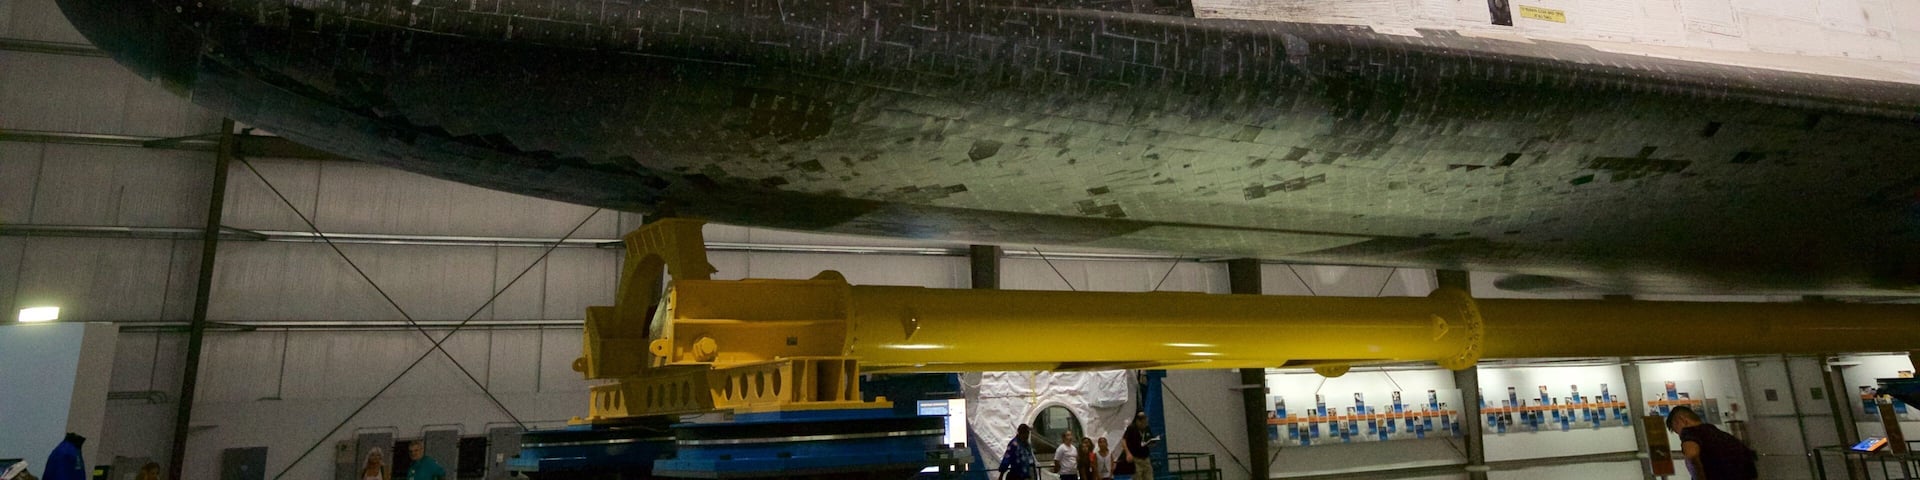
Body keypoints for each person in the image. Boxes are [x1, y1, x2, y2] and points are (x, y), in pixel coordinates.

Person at [1666, 406, 1757, 480]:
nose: (1679, 434)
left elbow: (1692, 454)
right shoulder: (1721, 435)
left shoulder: (1690, 431)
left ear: (1682, 420)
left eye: (1676, 429)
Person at [1122, 413, 1155, 480]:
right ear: (1138, 421)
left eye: (1145, 422)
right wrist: (1128, 453)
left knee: (1149, 477)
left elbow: (1151, 440)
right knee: (1137, 477)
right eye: (1143, 423)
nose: (1144, 424)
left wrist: (1152, 443)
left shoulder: (1146, 428)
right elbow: (1123, 440)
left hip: (1146, 458)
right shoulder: (1131, 428)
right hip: (1136, 459)